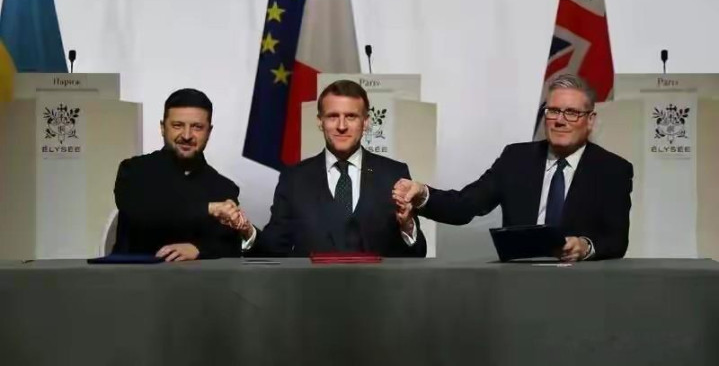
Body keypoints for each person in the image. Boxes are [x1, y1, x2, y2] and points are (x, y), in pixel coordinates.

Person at [393, 74, 633, 261]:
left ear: (590, 120)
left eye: (571, 112)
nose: (560, 120)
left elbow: (616, 240)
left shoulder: (613, 170)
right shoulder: (516, 159)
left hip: (582, 285)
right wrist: (422, 193)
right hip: (519, 283)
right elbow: (464, 205)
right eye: (553, 111)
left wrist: (585, 246)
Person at [230, 80, 426, 257]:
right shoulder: (294, 179)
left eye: (351, 116)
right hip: (312, 286)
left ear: (366, 122)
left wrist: (408, 226)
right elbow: (273, 249)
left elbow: (417, 254)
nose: (341, 126)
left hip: (378, 286)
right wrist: (248, 231)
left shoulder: (393, 174)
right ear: (319, 121)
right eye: (333, 116)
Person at [113, 88, 248, 261]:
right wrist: (208, 209)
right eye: (177, 125)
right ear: (163, 128)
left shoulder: (224, 188)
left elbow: (230, 246)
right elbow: (143, 214)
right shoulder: (134, 171)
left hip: (201, 278)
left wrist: (199, 250)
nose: (186, 135)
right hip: (134, 275)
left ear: (209, 132)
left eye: (197, 127)